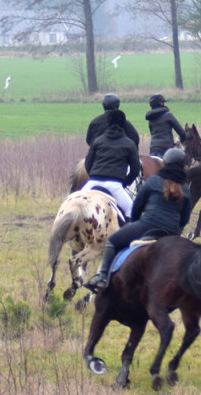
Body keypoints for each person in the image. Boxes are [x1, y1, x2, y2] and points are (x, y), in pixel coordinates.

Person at [85, 148, 194, 293]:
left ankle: (102, 277)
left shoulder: (153, 181)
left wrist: (136, 223)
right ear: (183, 166)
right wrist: (175, 232)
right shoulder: (186, 190)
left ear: (165, 163)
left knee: (112, 241)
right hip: (171, 232)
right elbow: (185, 219)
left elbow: (137, 207)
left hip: (146, 226)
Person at [82, 109, 142, 219]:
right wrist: (125, 182)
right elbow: (136, 169)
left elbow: (87, 163)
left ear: (108, 123)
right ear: (124, 124)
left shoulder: (98, 141)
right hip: (115, 185)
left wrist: (94, 176)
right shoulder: (129, 144)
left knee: (73, 204)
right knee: (132, 212)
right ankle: (126, 236)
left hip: (93, 182)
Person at [145, 93, 186, 158]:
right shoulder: (168, 115)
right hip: (167, 147)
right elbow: (181, 132)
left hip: (153, 147)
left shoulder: (150, 118)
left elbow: (151, 132)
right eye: (163, 102)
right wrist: (181, 140)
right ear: (160, 103)